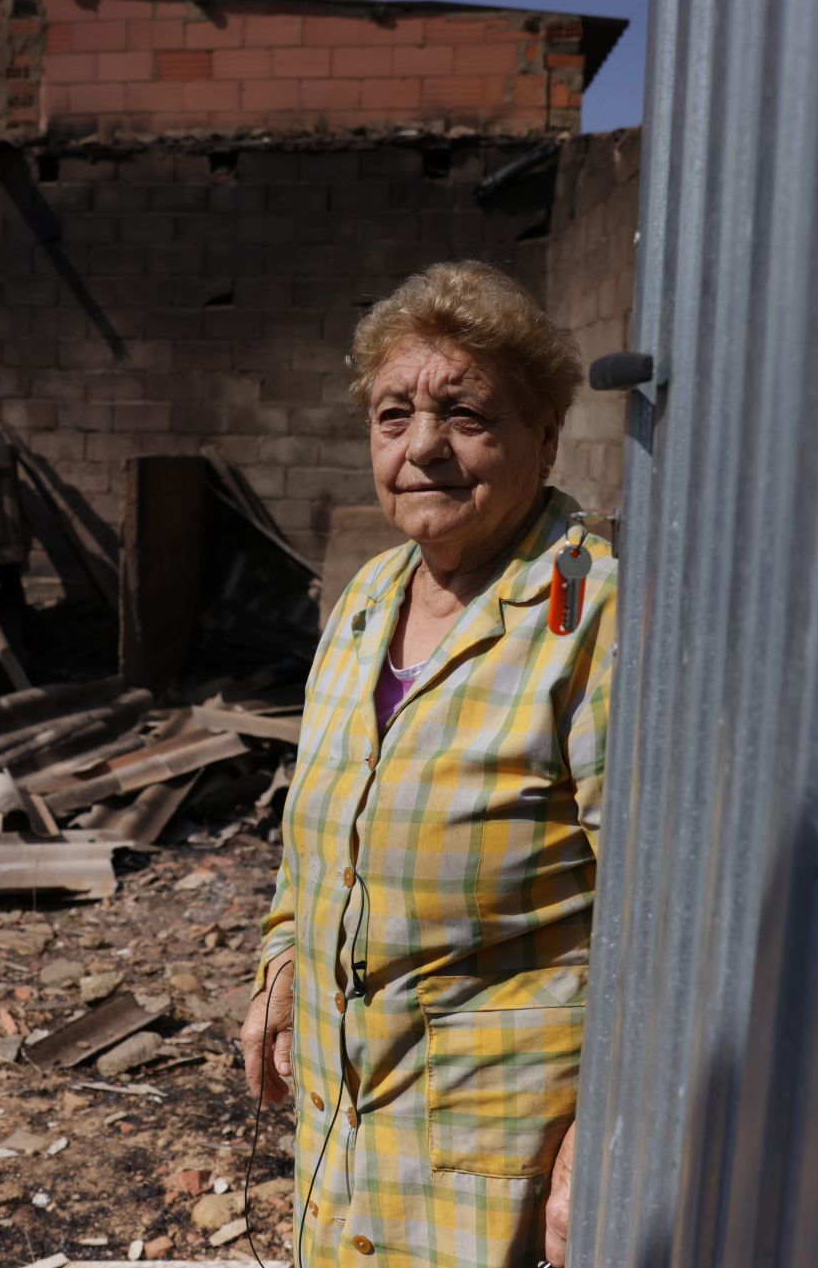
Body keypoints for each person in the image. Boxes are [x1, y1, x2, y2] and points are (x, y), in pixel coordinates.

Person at [241, 261, 616, 1268]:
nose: (422, 449)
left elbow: (665, 918)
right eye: (393, 414)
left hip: (495, 1167)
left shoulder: (593, 616)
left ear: (544, 433)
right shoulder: (368, 600)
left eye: (466, 416)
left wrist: (607, 1135)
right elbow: (315, 842)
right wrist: (283, 964)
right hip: (346, 1147)